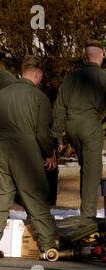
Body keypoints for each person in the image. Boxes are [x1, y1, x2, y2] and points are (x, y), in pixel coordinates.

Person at [0, 56, 57, 259]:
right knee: (36, 198)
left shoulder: (0, 95)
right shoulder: (39, 97)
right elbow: (43, 133)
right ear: (37, 74)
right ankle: (49, 246)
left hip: (0, 150)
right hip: (25, 151)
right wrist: (49, 153)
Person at [52, 40, 106, 219]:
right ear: (102, 55)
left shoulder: (72, 77)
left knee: (85, 168)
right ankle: (88, 218)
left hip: (72, 127)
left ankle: (86, 211)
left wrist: (58, 137)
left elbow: (59, 107)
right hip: (90, 125)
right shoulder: (102, 77)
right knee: (92, 172)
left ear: (85, 57)